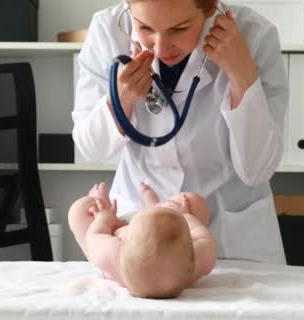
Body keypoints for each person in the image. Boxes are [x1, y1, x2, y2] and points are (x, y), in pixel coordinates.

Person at [72, 0, 289, 263]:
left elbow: (257, 170)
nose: (161, 47)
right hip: (138, 236)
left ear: (210, 10)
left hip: (230, 241)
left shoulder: (256, 36)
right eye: (144, 27)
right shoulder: (108, 31)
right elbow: (90, 148)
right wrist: (120, 99)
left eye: (179, 29)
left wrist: (241, 73)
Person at [68, 182, 217, 298]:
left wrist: (104, 216)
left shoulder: (114, 256)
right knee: (193, 201)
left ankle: (156, 208)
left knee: (81, 209)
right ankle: (159, 207)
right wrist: (185, 215)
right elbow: (203, 237)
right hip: (154, 226)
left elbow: (96, 235)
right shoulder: (192, 266)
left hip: (117, 229)